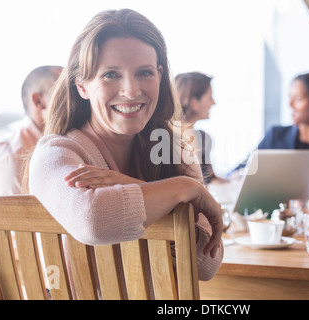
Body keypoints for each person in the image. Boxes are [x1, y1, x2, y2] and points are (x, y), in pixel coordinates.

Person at [27, 9, 223, 287]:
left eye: (144, 73)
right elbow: (93, 221)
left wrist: (127, 185)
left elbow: (209, 263)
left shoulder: (173, 150)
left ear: (159, 75)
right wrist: (183, 190)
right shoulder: (55, 154)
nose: (131, 91)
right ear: (81, 85)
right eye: (110, 74)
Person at [231, 73, 309, 183]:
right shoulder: (276, 135)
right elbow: (240, 170)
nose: (290, 104)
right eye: (289, 97)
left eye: (298, 98)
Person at [0, 65, 62, 196]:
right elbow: (10, 216)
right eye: (64, 94)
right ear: (39, 102)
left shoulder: (63, 147)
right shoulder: (11, 160)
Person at [174, 72, 227, 184]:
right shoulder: (172, 139)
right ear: (194, 103)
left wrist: (232, 182)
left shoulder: (202, 137)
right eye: (210, 97)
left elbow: (210, 180)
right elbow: (196, 185)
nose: (213, 103)